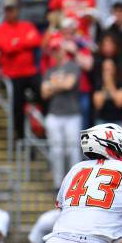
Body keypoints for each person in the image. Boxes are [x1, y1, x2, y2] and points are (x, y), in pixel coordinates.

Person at [0, 0, 42, 141]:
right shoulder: (0, 29)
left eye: (13, 9)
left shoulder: (27, 25)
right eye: (8, 10)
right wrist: (24, 42)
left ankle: (41, 127)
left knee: (43, 95)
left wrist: (16, 43)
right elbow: (6, 48)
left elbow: (36, 40)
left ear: (18, 10)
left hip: (30, 72)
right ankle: (21, 137)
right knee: (17, 106)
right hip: (12, 75)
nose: (11, 13)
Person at [41, 36, 83, 189]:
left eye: (58, 49)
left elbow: (69, 84)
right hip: (54, 114)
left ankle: (76, 184)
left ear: (63, 50)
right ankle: (58, 184)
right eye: (53, 50)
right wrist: (59, 84)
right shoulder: (50, 70)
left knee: (73, 150)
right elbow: (44, 93)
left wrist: (53, 85)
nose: (56, 53)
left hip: (72, 114)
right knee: (56, 151)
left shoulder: (72, 66)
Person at [93, 58, 122, 126]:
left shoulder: (120, 83)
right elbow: (98, 105)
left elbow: (119, 103)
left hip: (118, 121)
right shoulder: (99, 84)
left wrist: (110, 85)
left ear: (115, 69)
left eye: (110, 68)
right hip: (102, 120)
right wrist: (105, 85)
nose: (107, 71)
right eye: (105, 68)